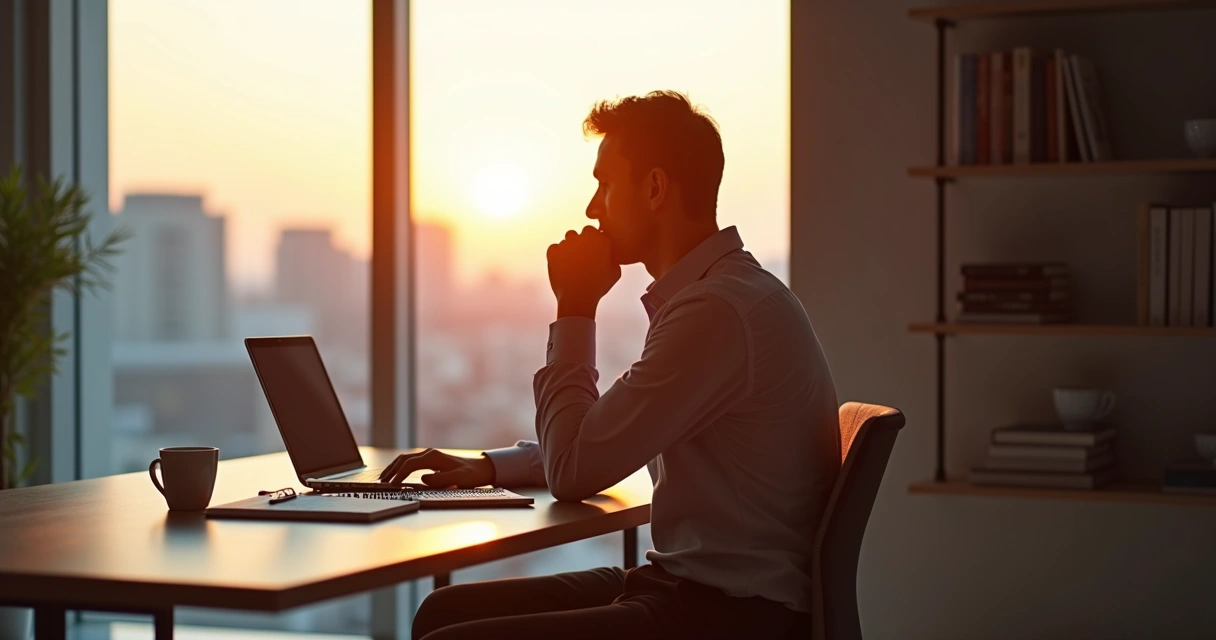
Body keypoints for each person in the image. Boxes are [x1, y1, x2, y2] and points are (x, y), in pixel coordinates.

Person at [383, 90, 841, 640]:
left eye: (604, 183)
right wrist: (491, 467)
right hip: (691, 588)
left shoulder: (716, 313)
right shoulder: (718, 296)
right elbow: (609, 436)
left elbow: (576, 470)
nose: (592, 208)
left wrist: (574, 307)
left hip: (730, 615)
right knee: (443, 612)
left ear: (653, 187)